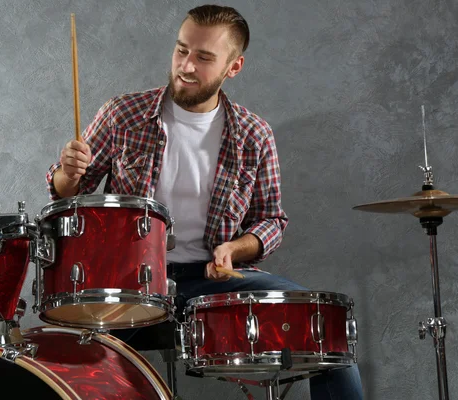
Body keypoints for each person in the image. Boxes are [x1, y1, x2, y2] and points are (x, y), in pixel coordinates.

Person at [46, 4, 363, 399]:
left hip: (213, 281)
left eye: (203, 57)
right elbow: (64, 194)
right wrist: (68, 174)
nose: (187, 66)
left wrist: (235, 248)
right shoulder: (122, 113)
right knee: (60, 357)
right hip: (129, 280)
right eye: (181, 50)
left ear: (234, 67)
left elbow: (271, 220)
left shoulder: (254, 134)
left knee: (325, 333)